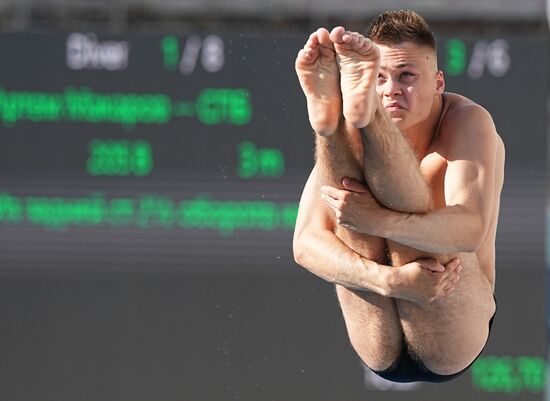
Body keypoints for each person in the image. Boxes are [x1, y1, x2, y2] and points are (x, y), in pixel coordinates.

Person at [292, 9, 504, 383]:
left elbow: (470, 230)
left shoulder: (467, 122)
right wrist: (388, 281)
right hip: (377, 335)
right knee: (347, 211)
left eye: (406, 76)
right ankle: (328, 126)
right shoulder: (352, 147)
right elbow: (305, 245)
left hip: (454, 328)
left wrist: (377, 220)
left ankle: (360, 118)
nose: (391, 89)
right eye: (379, 78)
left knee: (390, 213)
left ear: (438, 81)